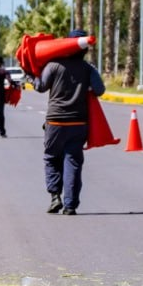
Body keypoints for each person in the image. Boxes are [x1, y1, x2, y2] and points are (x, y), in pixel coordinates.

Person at [32, 29, 105, 215]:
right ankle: (70, 205)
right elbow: (99, 90)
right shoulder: (88, 68)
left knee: (51, 158)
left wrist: (32, 78)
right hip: (78, 123)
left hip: (55, 122)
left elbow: (41, 87)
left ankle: (55, 196)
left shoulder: (53, 65)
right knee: (73, 161)